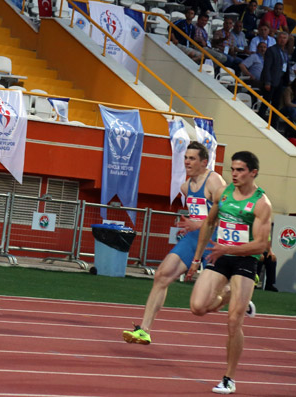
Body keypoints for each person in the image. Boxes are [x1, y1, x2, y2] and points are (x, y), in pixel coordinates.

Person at [122, 142, 227, 345]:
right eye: (186, 157)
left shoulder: (214, 181)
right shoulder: (185, 187)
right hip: (194, 239)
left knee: (211, 299)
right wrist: (193, 225)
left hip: (216, 240)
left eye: (192, 158)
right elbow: (198, 217)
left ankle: (238, 288)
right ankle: (144, 330)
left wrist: (199, 223)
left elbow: (226, 215)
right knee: (161, 275)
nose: (187, 161)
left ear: (204, 162)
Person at [186, 151, 272, 395]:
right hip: (221, 256)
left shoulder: (260, 203)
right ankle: (234, 298)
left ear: (253, 172)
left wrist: (229, 248)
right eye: (232, 169)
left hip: (245, 261)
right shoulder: (223, 194)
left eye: (240, 170)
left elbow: (261, 245)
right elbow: (209, 223)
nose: (234, 174)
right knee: (198, 307)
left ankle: (228, 378)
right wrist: (195, 259)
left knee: (233, 321)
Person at [259, 31, 289, 120]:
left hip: (280, 80)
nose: (282, 40)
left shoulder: (285, 51)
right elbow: (267, 67)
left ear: (287, 40)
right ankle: (259, 120)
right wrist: (267, 82)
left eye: (284, 38)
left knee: (276, 105)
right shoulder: (271, 50)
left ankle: (273, 125)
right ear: (277, 39)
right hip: (271, 81)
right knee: (266, 103)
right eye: (281, 38)